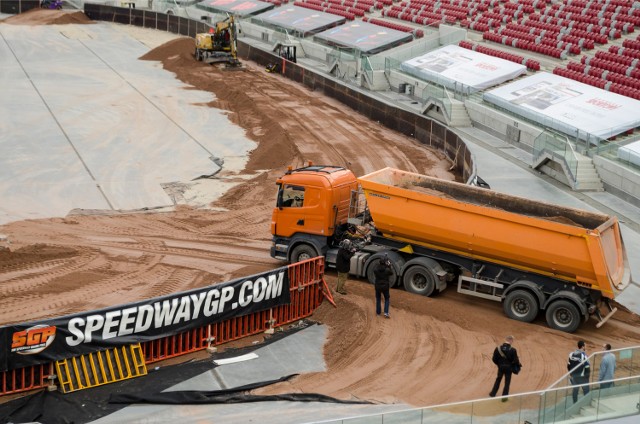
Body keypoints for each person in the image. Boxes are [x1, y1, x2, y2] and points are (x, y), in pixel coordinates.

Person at [489, 335, 521, 401]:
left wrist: (499, 364)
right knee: (507, 382)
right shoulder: (513, 350)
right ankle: (504, 398)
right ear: (511, 340)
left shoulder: (498, 348)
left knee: (498, 379)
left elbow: (494, 359)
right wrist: (515, 366)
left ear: (505, 339)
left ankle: (493, 394)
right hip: (509, 368)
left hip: (500, 367)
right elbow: (515, 360)